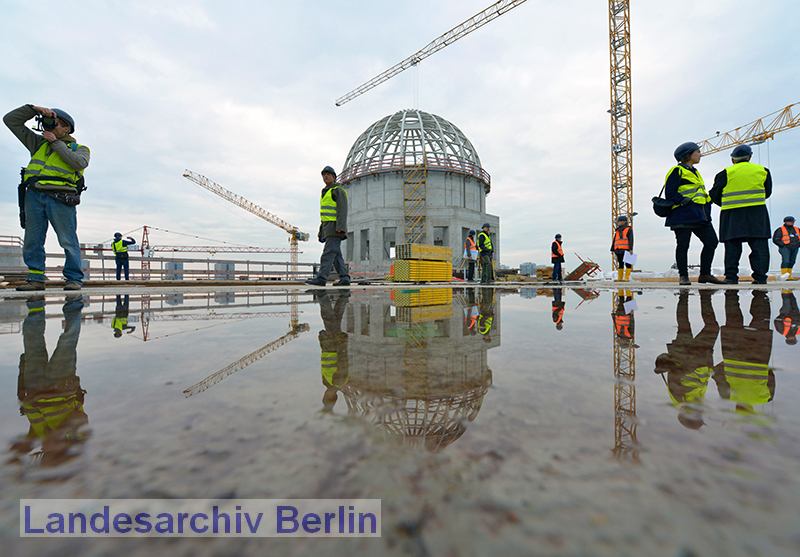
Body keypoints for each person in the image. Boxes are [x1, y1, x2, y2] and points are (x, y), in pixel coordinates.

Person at [4, 105, 90, 291]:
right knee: (32, 240)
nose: (49, 126)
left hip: (61, 197)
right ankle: (36, 279)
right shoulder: (37, 143)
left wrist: (55, 142)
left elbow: (79, 163)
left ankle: (74, 279)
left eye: (54, 123)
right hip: (34, 195)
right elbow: (10, 120)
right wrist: (33, 110)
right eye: (47, 122)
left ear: (66, 129)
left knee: (68, 240)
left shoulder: (79, 148)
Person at [9, 295, 90, 468]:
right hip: (61, 386)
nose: (43, 451)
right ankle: (74, 303)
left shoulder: (42, 439)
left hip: (33, 386)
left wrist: (25, 444)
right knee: (68, 340)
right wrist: (57, 436)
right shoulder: (75, 441)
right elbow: (80, 417)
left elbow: (34, 426)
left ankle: (35, 303)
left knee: (32, 339)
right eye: (47, 454)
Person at [654, 289, 718, 429]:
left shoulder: (680, 400)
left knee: (687, 326)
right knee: (704, 327)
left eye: (698, 417)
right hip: (699, 356)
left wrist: (688, 364)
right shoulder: (695, 403)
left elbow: (674, 374)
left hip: (688, 355)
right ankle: (702, 297)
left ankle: (686, 297)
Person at [709, 144, 772, 285]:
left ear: (733, 160)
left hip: (731, 214)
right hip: (757, 213)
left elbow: (714, 195)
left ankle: (731, 277)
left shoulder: (725, 173)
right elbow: (767, 192)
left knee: (732, 247)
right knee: (759, 246)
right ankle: (760, 278)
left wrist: (726, 203)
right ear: (750, 157)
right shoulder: (763, 171)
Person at [663, 142, 723, 286]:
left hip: (700, 215)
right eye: (697, 152)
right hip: (682, 214)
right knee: (683, 245)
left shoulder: (695, 172)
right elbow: (670, 193)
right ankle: (683, 276)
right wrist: (686, 202)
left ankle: (705, 274)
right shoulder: (676, 170)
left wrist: (708, 202)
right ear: (688, 155)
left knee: (711, 241)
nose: (700, 154)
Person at [713, 290, 775, 416]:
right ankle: (731, 294)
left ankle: (760, 292)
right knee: (733, 319)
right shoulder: (727, 396)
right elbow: (718, 374)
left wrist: (761, 367)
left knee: (761, 319)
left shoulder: (766, 398)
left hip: (759, 356)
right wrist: (726, 363)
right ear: (736, 407)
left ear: (752, 410)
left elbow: (771, 376)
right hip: (733, 353)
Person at [306, 166, 350, 287]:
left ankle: (321, 278)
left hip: (335, 227)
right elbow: (324, 215)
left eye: (329, 174)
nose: (326, 176)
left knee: (328, 253)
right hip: (328, 227)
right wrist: (321, 232)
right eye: (324, 174)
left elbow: (342, 210)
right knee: (336, 255)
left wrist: (340, 227)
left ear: (334, 177)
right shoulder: (326, 192)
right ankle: (345, 278)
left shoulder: (338, 190)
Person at [316, 291, 350, 412]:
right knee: (328, 316)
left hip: (328, 345)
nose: (326, 394)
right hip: (335, 344)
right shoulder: (339, 382)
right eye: (328, 396)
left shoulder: (326, 382)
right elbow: (343, 361)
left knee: (335, 317)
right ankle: (321, 296)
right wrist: (341, 343)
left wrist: (322, 340)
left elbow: (324, 361)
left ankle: (344, 297)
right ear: (333, 396)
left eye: (325, 396)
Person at [772, 216, 799, 280]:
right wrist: (782, 245)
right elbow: (776, 239)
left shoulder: (797, 229)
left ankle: (789, 276)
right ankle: (784, 276)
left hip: (795, 247)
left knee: (792, 261)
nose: (792, 222)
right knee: (786, 261)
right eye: (791, 221)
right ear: (786, 222)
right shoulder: (780, 229)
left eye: (793, 221)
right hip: (785, 248)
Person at [611, 216, 633, 282]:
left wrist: (631, 248)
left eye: (619, 221)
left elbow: (631, 239)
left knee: (628, 263)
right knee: (620, 263)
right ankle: (620, 278)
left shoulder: (628, 229)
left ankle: (626, 278)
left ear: (623, 221)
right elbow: (615, 240)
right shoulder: (617, 230)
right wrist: (612, 249)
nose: (617, 222)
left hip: (626, 249)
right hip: (618, 249)